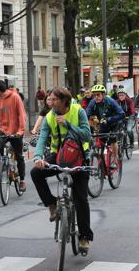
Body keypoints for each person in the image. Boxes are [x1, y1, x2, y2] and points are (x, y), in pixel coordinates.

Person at [31, 87, 93, 253]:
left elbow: (87, 136)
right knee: (35, 173)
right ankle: (52, 203)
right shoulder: (50, 116)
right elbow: (43, 138)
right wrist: (38, 157)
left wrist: (68, 124)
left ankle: (84, 237)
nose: (50, 103)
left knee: (80, 198)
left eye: (54, 100)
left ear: (64, 101)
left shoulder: (78, 111)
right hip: (58, 156)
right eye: (49, 99)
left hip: (79, 157)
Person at [0, 80, 27, 191]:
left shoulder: (15, 97)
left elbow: (22, 114)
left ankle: (22, 180)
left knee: (19, 156)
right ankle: (4, 165)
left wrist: (21, 131)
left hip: (16, 132)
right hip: (3, 130)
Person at [86, 84, 124, 168]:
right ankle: (101, 162)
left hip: (114, 124)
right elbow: (86, 114)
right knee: (101, 143)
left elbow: (122, 114)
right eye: (94, 95)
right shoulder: (93, 102)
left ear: (103, 94)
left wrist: (109, 119)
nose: (96, 97)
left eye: (98, 94)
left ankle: (115, 159)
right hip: (103, 125)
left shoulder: (111, 101)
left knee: (112, 139)